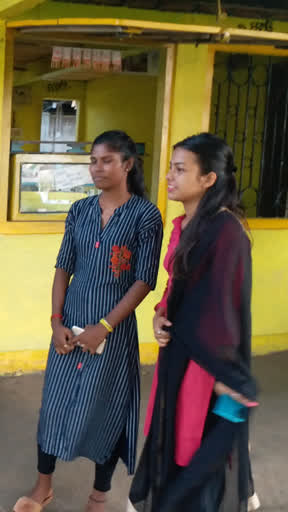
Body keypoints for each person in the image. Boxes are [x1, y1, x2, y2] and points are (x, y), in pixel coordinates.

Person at [13, 131, 164, 512]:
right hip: (69, 324)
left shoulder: (145, 215)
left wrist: (105, 326)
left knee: (106, 408)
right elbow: (64, 266)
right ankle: (42, 486)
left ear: (127, 164)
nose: (97, 168)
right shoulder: (79, 210)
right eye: (93, 160)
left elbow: (144, 280)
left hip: (113, 331)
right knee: (55, 406)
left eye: (107, 160)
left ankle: (99, 495)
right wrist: (55, 320)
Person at [129, 133, 258, 512]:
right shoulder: (185, 224)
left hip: (207, 361)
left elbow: (224, 306)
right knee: (172, 441)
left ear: (209, 179)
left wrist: (224, 374)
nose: (169, 176)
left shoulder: (226, 231)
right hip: (180, 353)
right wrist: (158, 315)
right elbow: (176, 286)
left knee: (196, 446)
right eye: (171, 167)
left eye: (180, 169)